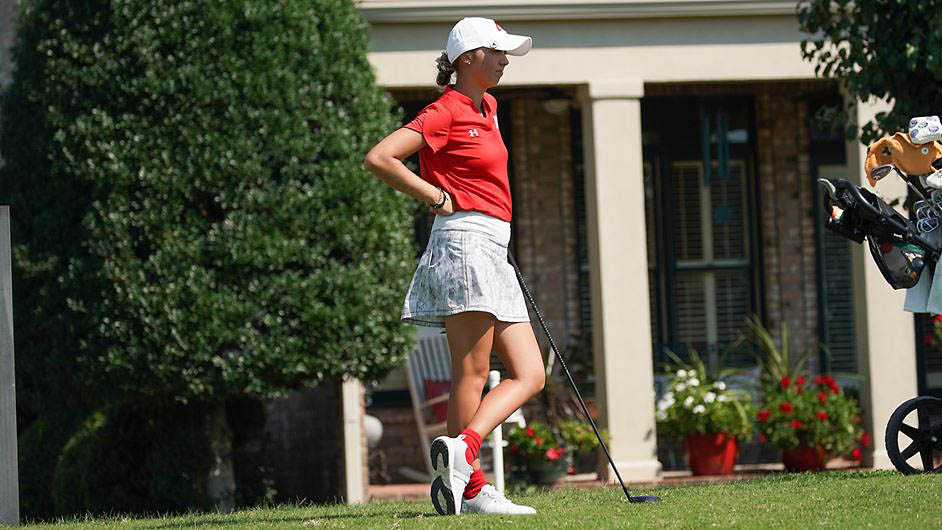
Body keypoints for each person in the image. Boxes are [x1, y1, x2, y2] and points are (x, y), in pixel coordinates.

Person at [363, 17, 545, 516]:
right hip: (463, 242)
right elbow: (380, 158)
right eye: (498, 52)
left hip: (491, 244)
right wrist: (435, 195)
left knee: (529, 373)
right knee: (471, 371)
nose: (505, 60)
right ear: (468, 59)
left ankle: (462, 453)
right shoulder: (444, 110)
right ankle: (469, 487)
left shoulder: (488, 107)